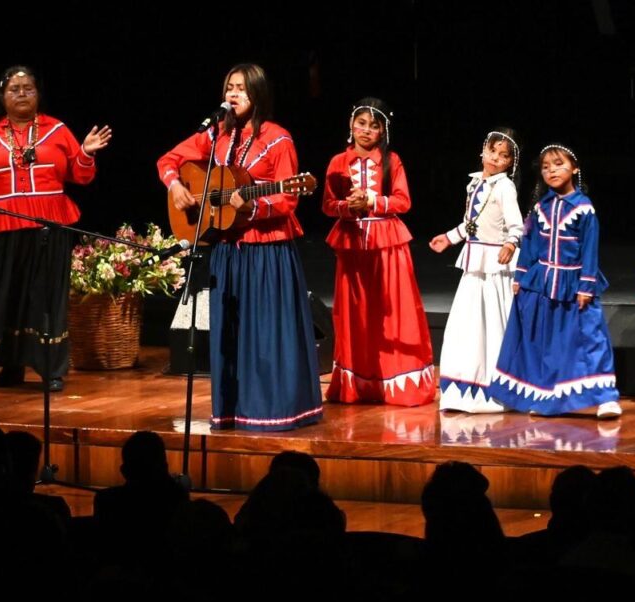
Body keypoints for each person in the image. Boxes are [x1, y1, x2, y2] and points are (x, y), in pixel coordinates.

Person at [157, 63, 322, 430]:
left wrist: (253, 205)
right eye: (230, 87)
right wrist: (176, 187)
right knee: (230, 332)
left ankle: (274, 408)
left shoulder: (279, 139)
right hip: (227, 249)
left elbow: (287, 200)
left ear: (258, 94)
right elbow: (167, 160)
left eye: (242, 89)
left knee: (264, 330)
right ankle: (232, 409)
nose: (233, 94)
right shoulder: (216, 134)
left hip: (266, 249)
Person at [0, 65, 111, 392]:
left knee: (43, 299)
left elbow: (81, 175)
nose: (21, 94)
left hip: (47, 225)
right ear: (2, 96)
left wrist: (86, 152)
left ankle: (50, 370)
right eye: (14, 89)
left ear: (38, 94)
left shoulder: (57, 129)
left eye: (27, 88)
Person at [487, 144, 621, 417]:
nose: (551, 171)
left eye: (558, 165)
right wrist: (520, 277)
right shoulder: (540, 208)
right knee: (548, 343)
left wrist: (586, 284)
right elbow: (530, 244)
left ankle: (605, 398)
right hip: (542, 284)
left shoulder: (584, 208)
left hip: (574, 283)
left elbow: (590, 249)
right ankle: (546, 397)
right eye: (546, 167)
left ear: (574, 168)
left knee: (589, 338)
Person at [321, 97, 435, 406]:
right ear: (350, 125)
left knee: (390, 309)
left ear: (383, 131)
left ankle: (395, 381)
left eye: (374, 125)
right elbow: (328, 205)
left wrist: (372, 202)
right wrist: (348, 207)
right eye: (361, 123)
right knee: (354, 311)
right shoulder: (337, 162)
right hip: (352, 243)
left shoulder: (391, 161)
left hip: (386, 241)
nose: (366, 130)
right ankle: (357, 383)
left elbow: (403, 201)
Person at [429, 128, 524, 412]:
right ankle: (463, 389)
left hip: (494, 266)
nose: (496, 158)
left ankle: (494, 390)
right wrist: (449, 237)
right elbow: (470, 224)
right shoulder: (474, 183)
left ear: (510, 163)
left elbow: (515, 223)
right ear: (483, 149)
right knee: (466, 323)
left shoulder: (505, 187)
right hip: (474, 263)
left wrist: (511, 242)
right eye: (493, 151)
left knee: (492, 323)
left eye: (503, 156)